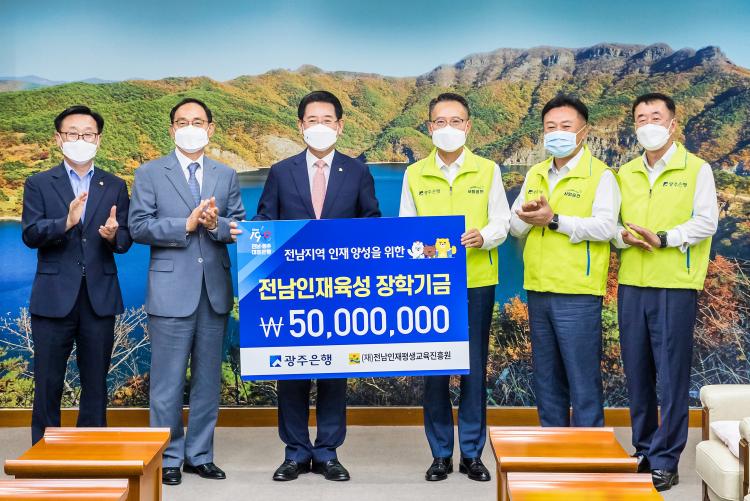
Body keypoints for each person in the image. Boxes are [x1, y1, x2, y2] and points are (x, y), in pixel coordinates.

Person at [254, 90, 381, 482]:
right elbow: (264, 222)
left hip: (341, 289)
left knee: (334, 372)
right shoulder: (281, 171)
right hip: (291, 291)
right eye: (313, 120)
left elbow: (372, 222)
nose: (320, 126)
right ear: (301, 126)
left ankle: (327, 453)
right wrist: (251, 233)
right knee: (291, 372)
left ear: (340, 126)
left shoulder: (357, 171)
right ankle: (294, 452)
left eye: (327, 120)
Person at [129, 98, 245, 486]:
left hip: (214, 292)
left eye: (197, 121)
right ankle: (169, 457)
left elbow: (238, 226)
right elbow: (138, 226)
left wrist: (214, 224)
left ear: (210, 128)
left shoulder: (226, 174)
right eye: (182, 122)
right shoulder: (149, 173)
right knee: (167, 382)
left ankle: (200, 455)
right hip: (169, 292)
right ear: (171, 130)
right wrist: (187, 224)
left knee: (208, 381)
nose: (190, 127)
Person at [399, 92, 511, 482]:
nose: (448, 128)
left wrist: (485, 236)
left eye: (456, 121)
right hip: (430, 286)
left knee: (473, 369)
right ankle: (440, 454)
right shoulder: (414, 174)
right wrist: (420, 249)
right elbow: (406, 227)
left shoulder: (488, 170)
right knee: (434, 368)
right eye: (441, 122)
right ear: (430, 127)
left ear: (468, 126)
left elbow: (502, 221)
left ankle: (472, 454)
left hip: (477, 281)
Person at [614, 92, 718, 492]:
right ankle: (644, 448)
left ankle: (666, 458)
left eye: (655, 117)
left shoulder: (696, 169)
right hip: (632, 283)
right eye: (641, 118)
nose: (648, 124)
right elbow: (613, 225)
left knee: (672, 376)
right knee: (637, 370)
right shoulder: (625, 172)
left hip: (675, 283)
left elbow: (706, 222)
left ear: (673, 124)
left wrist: (664, 237)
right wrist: (622, 237)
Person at [22, 105, 132, 444]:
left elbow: (125, 240)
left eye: (87, 134)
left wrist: (113, 235)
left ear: (98, 139)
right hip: (53, 298)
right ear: (59, 139)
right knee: (48, 382)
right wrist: (66, 222)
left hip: (99, 297)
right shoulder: (39, 183)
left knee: (95, 383)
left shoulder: (114, 184)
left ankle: (92, 453)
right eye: (72, 133)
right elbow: (30, 234)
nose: (80, 139)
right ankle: (44, 455)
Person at [509, 95, 620, 428]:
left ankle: (588, 452)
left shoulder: (600, 175)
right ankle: (553, 446)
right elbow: (515, 227)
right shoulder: (536, 173)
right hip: (538, 287)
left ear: (584, 131)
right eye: (550, 127)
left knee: (582, 379)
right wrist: (528, 216)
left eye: (566, 126)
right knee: (547, 378)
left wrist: (554, 220)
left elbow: (606, 228)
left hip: (578, 291)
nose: (557, 132)